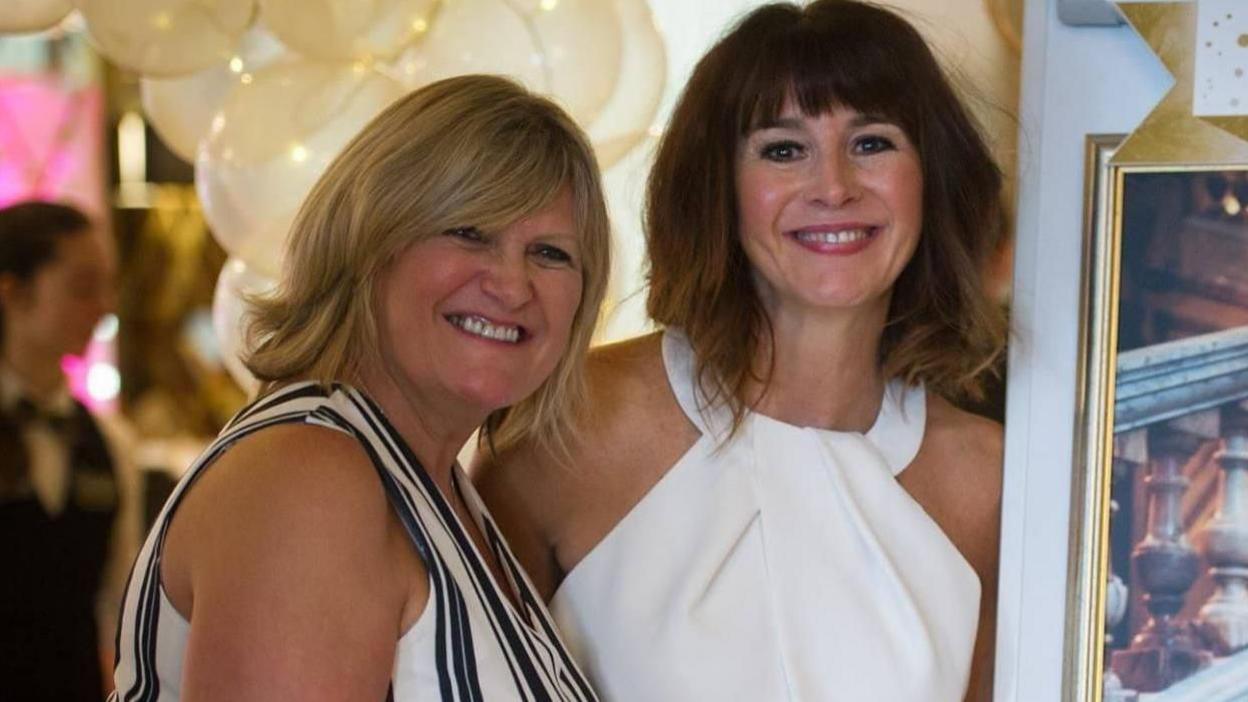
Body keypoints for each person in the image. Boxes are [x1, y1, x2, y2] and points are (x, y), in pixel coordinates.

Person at [474, 2, 1008, 701]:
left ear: (932, 177)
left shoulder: (993, 484)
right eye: (783, 150)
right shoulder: (569, 422)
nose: (835, 186)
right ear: (717, 187)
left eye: (873, 142)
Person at [111, 74, 610, 701]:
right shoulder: (311, 479)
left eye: (550, 253)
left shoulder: (439, 490)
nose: (512, 285)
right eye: (469, 232)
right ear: (368, 244)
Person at [0, 199, 133, 701]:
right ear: (12, 292)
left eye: (106, 286)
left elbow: (116, 606)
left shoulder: (111, 444)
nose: (103, 307)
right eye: (82, 288)